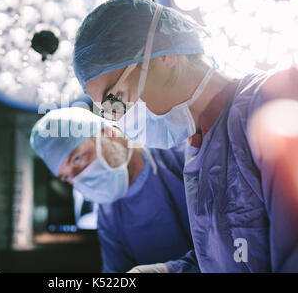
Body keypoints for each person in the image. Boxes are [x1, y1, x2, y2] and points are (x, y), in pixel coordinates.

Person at [73, 0, 298, 272]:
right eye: (110, 112)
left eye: (115, 99)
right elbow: (225, 259)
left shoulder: (273, 103)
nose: (120, 119)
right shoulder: (198, 151)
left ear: (163, 56)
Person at [30, 107, 196, 273]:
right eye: (66, 177)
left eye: (77, 159)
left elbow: (221, 247)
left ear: (109, 134)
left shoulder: (183, 156)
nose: (77, 178)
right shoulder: (108, 217)